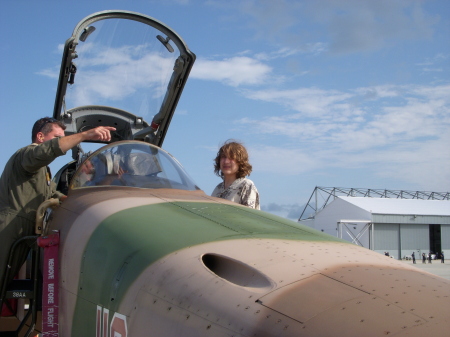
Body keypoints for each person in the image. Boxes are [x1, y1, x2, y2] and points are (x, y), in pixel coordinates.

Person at [0, 117, 115, 293]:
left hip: (22, 229)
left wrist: (77, 202)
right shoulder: (27, 154)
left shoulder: (40, 169)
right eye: (57, 137)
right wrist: (84, 135)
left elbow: (51, 194)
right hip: (10, 227)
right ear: (40, 137)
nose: (61, 141)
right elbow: (46, 151)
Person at [211, 140, 260, 210]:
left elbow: (249, 218)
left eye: (231, 157)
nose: (226, 161)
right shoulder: (218, 189)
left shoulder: (246, 186)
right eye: (223, 157)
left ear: (240, 162)